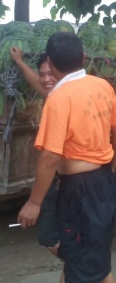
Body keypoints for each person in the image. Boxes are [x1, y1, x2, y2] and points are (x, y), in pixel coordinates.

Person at [17, 32, 116, 283]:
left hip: (79, 192)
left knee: (83, 263)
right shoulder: (103, 86)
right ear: (84, 57)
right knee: (90, 258)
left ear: (51, 64)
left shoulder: (59, 98)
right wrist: (109, 168)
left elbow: (50, 157)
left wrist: (34, 203)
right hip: (103, 183)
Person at [10, 47, 61, 256]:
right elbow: (38, 83)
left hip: (63, 178)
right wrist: (20, 62)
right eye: (43, 74)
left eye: (51, 73)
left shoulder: (65, 99)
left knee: (51, 237)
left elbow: (50, 156)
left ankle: (84, 265)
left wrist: (33, 202)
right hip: (54, 177)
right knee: (52, 238)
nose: (46, 78)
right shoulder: (53, 95)